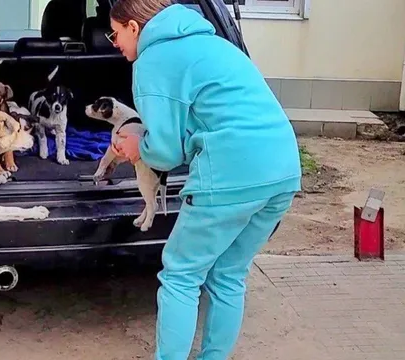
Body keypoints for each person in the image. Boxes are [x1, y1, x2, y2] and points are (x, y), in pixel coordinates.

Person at [106, 1, 302, 359]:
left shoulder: (153, 58)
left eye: (115, 33)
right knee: (228, 274)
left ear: (134, 27)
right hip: (283, 170)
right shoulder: (211, 42)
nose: (114, 42)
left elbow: (165, 153)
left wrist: (138, 146)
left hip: (231, 173)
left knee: (180, 275)